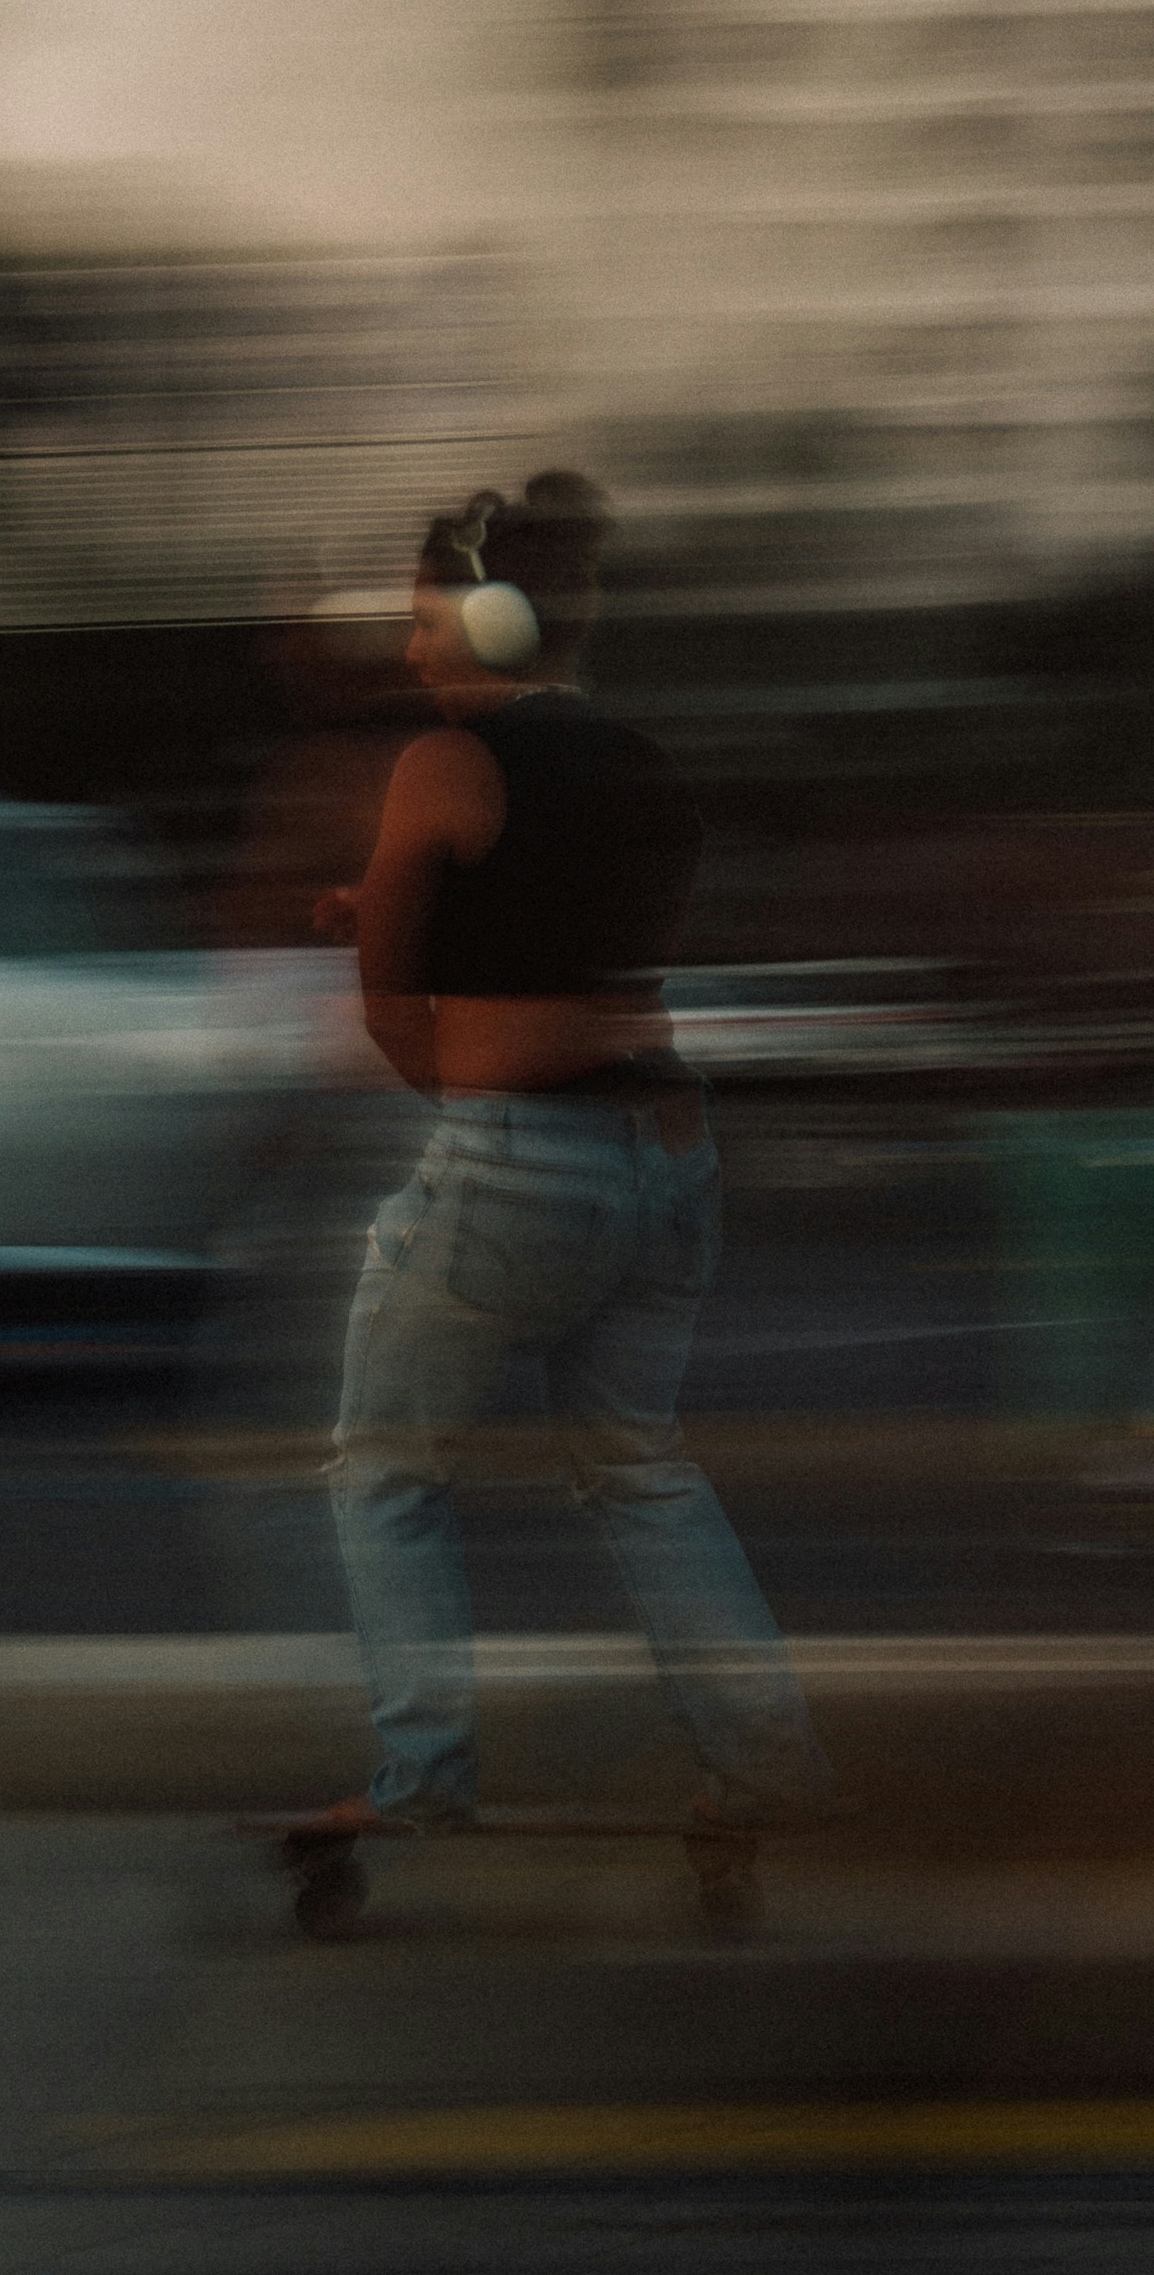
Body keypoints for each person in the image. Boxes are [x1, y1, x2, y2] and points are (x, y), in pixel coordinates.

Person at [306, 471, 834, 1835]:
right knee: (639, 1467)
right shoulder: (641, 763)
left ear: (486, 623)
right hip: (669, 1161)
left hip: (519, 1174)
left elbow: (397, 1022)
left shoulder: (442, 762)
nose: (415, 650)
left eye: (428, 622)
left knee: (382, 1467)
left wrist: (408, 981)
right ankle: (768, 1767)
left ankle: (423, 1775)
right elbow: (578, 938)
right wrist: (434, 923)